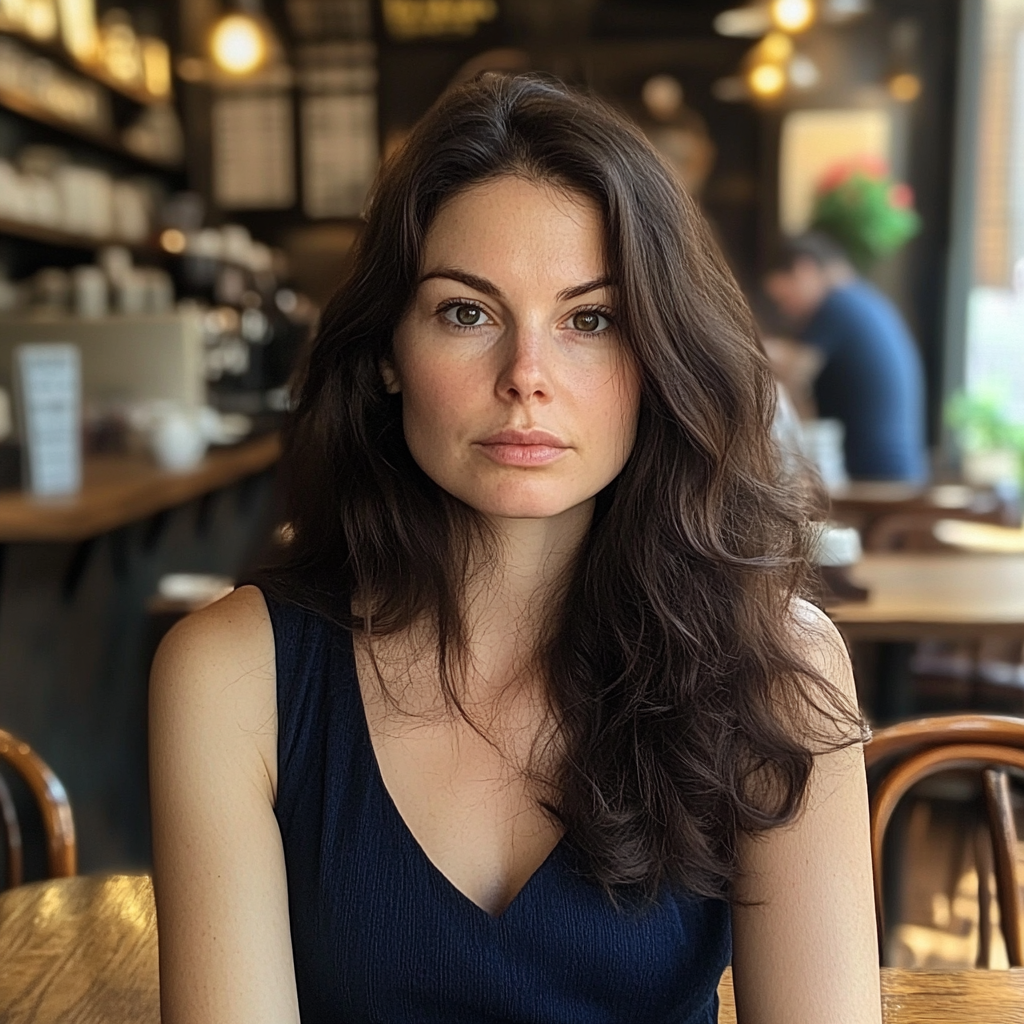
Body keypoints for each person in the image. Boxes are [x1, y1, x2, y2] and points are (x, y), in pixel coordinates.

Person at [149, 75, 881, 1023]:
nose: (525, 378)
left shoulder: (778, 668)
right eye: (467, 312)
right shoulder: (232, 679)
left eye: (591, 319)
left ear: (658, 359)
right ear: (386, 353)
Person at [764, 231, 929, 483]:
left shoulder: (837, 305)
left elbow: (793, 372)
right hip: (898, 472)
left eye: (784, 299)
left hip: (877, 481)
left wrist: (739, 347)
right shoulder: (863, 300)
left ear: (804, 269)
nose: (785, 311)